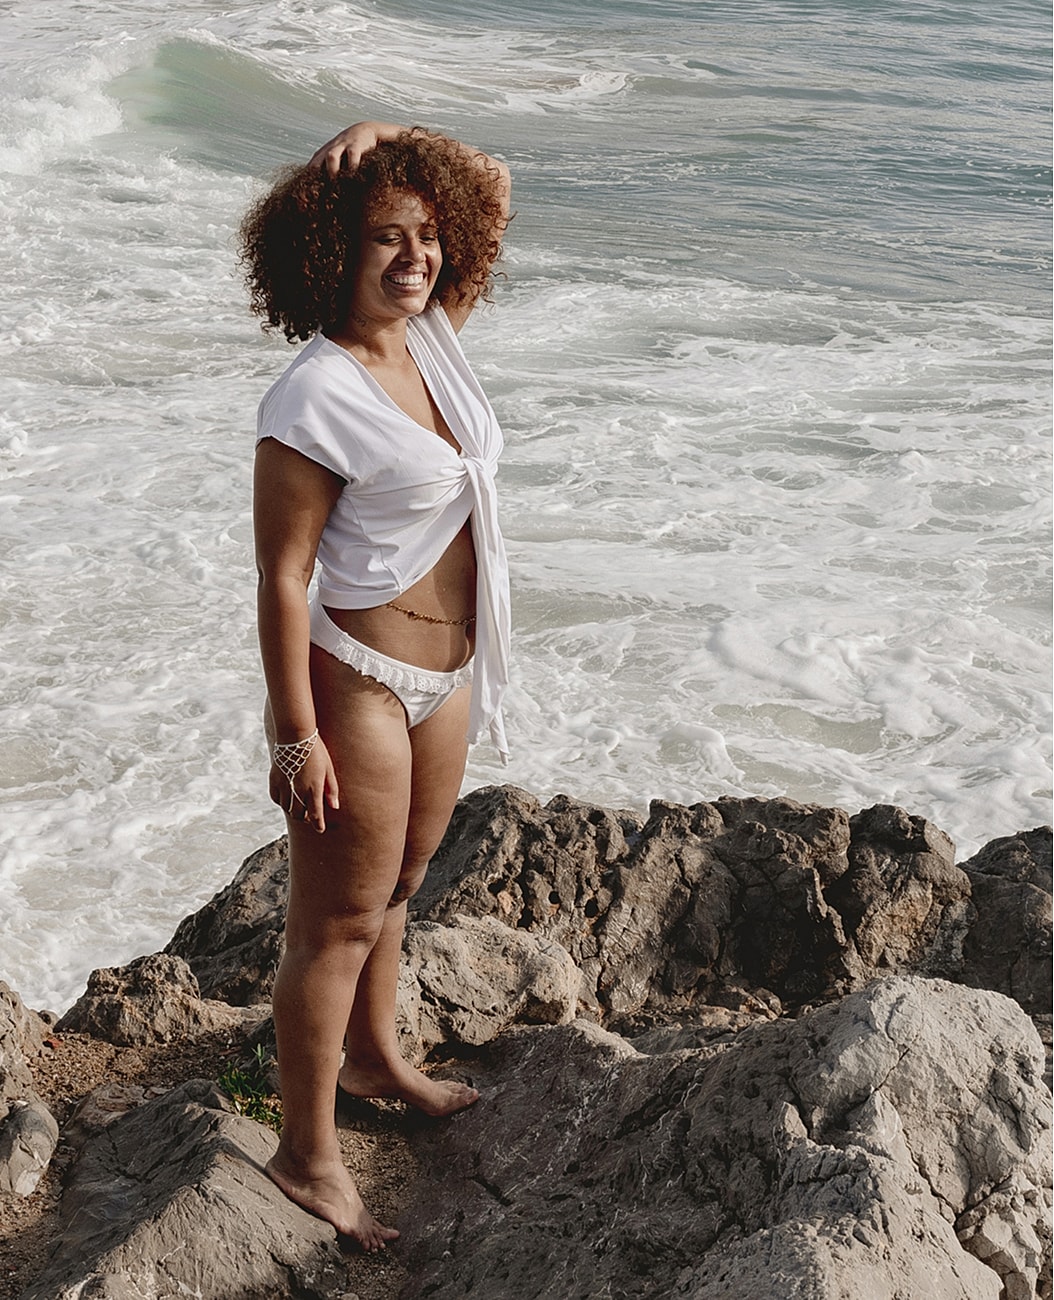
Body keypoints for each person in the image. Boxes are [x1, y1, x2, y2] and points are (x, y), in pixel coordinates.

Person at [239, 121, 512, 1250]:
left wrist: (389, 136)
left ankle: (373, 1057)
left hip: (445, 674)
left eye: (426, 234)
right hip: (356, 677)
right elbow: (282, 576)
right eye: (386, 237)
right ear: (331, 252)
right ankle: (306, 1156)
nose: (416, 257)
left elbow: (493, 182)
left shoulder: (434, 338)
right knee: (337, 920)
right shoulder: (312, 395)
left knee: (398, 884)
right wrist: (294, 733)